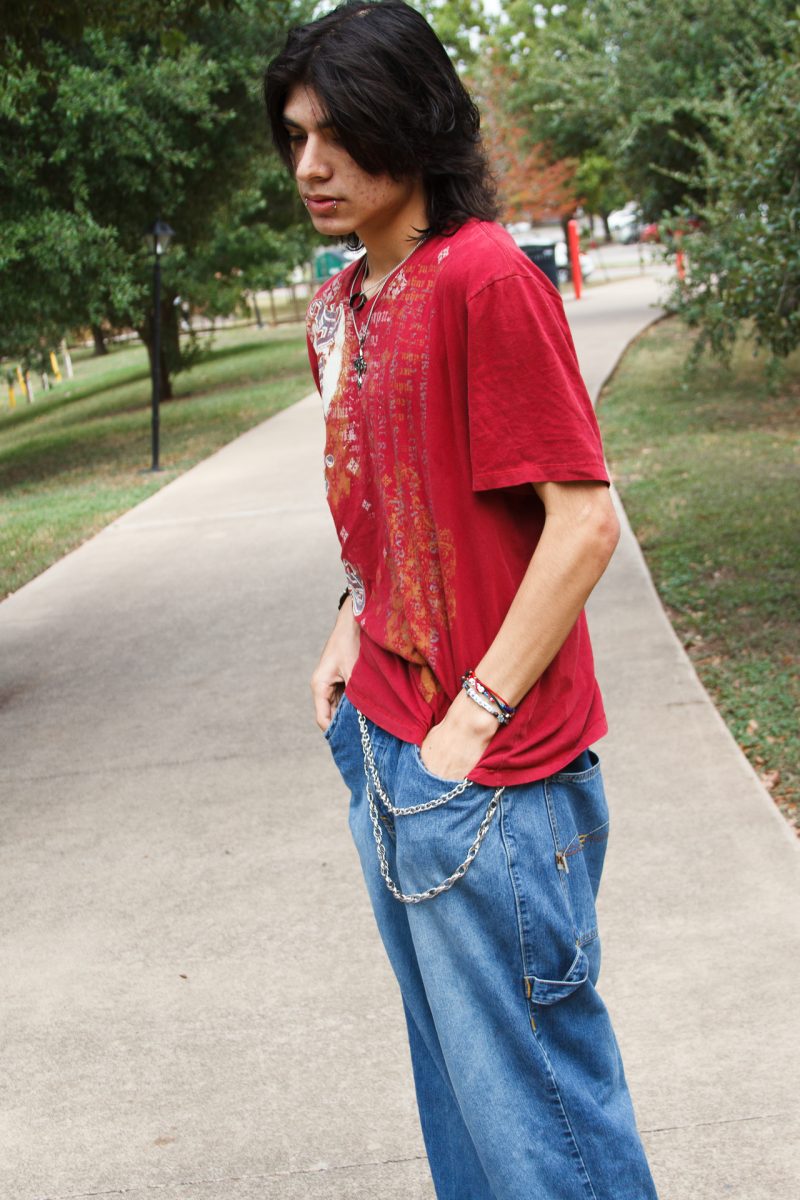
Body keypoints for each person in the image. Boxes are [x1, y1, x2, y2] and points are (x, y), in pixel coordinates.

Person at [265, 4, 659, 1197]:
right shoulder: (342, 306)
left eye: (339, 132)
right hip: (387, 753)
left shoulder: (486, 278)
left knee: (548, 1137)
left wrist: (472, 717)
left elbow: (581, 519)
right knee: (471, 1131)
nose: (311, 166)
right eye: (292, 137)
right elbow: (395, 501)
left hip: (493, 782)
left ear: (416, 122)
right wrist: (350, 619)